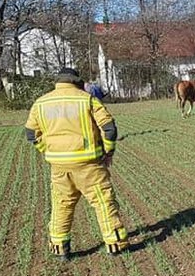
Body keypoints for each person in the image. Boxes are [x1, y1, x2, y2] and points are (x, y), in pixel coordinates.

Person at [25, 67, 128, 259]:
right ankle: (115, 243)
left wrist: (46, 150)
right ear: (76, 81)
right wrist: (108, 151)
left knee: (61, 205)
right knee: (103, 203)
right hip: (89, 165)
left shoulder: (40, 103)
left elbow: (31, 134)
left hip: (59, 168)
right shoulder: (87, 99)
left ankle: (59, 246)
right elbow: (109, 128)